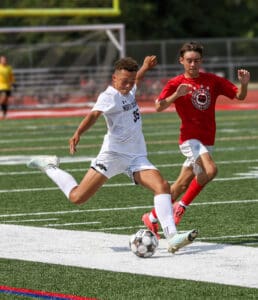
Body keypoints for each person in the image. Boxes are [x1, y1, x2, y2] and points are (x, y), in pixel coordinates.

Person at [27, 56, 198, 253]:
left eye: (131, 81)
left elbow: (137, 80)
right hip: (112, 156)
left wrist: (143, 68)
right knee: (77, 197)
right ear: (114, 79)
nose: (128, 86)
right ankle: (50, 166)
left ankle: (172, 236)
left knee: (162, 186)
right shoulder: (109, 95)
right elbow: (93, 115)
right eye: (124, 81)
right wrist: (78, 133)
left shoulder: (129, 87)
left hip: (136, 157)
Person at [142, 41, 250, 237]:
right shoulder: (175, 83)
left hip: (207, 139)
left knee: (181, 185)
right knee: (211, 169)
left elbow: (240, 96)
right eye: (189, 60)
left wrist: (243, 84)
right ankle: (181, 207)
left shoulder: (212, 80)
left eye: (197, 60)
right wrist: (177, 94)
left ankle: (151, 217)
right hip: (189, 140)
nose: (193, 64)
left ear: (201, 61)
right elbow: (158, 106)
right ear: (181, 60)